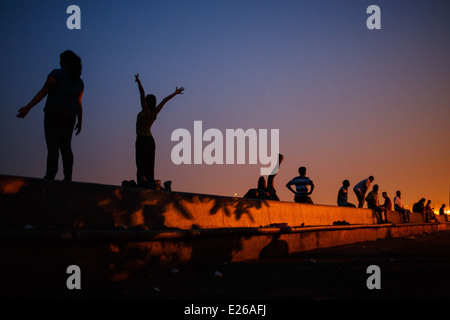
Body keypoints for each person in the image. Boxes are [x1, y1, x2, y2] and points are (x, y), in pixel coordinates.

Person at [17, 50, 83, 181]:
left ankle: (50, 176)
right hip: (70, 115)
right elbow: (78, 103)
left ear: (64, 62)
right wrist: (80, 122)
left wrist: (28, 107)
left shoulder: (56, 74)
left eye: (61, 60)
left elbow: (44, 91)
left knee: (53, 145)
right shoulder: (79, 81)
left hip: (54, 112)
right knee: (66, 146)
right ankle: (68, 177)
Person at [134, 73, 184, 188]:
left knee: (140, 163)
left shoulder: (146, 112)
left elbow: (142, 94)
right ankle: (150, 181)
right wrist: (175, 93)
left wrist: (138, 81)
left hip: (142, 139)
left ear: (146, 102)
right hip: (151, 141)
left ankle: (142, 182)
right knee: (150, 164)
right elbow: (164, 100)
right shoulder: (155, 112)